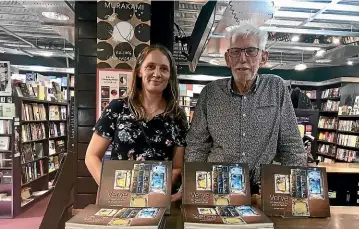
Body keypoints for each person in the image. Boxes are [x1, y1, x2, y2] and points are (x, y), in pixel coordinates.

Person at [173, 23, 306, 199]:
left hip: (262, 193)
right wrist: (188, 188)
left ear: (263, 57)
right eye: (235, 52)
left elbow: (292, 146)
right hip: (217, 188)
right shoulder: (210, 93)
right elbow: (197, 146)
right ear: (228, 58)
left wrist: (296, 192)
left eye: (251, 51)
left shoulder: (276, 88)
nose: (242, 59)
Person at [85, 44, 188, 192]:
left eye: (164, 69)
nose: (157, 74)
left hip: (158, 200)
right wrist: (109, 188)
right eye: (150, 66)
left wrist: (157, 194)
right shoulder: (118, 108)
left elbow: (177, 167)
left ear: (170, 75)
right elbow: (92, 156)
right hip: (120, 198)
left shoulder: (177, 115)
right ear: (139, 71)